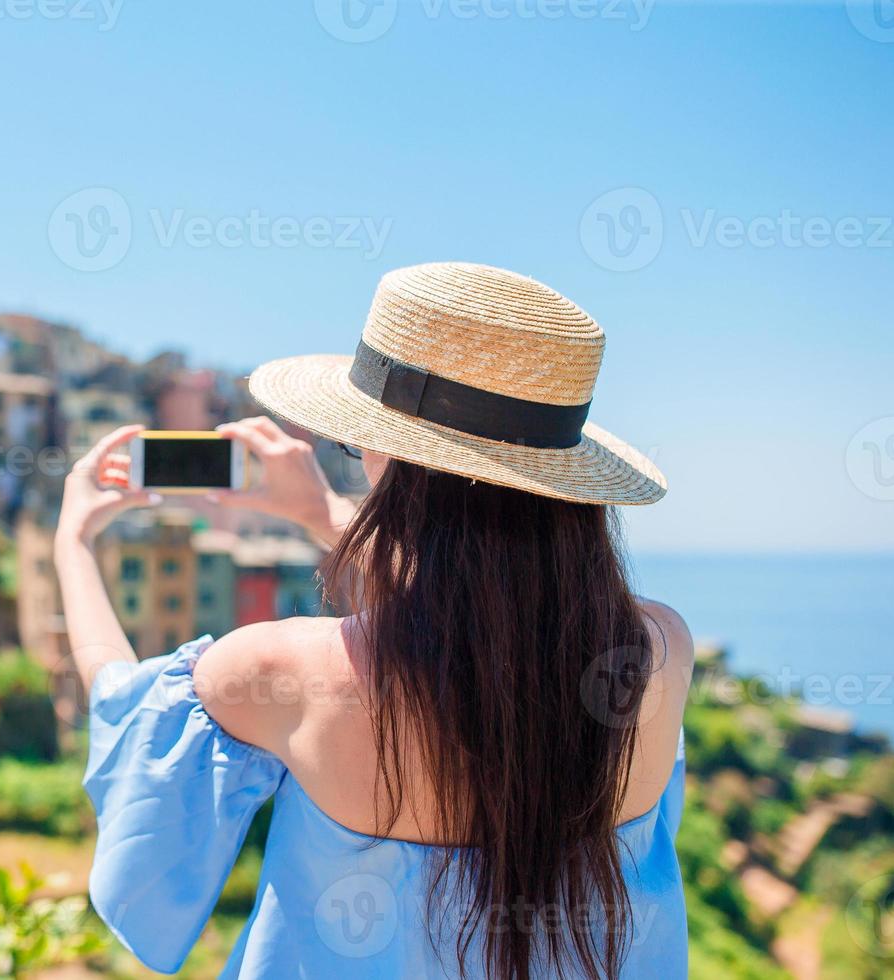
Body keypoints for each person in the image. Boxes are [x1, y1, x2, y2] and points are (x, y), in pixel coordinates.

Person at [55, 262, 691, 979]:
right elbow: (481, 614)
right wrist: (315, 511)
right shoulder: (657, 653)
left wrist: (73, 542)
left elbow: (121, 703)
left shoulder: (284, 673)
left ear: (389, 449)